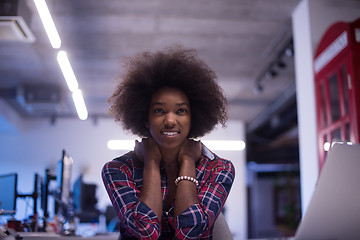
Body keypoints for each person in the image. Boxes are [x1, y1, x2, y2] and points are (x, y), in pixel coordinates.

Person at [102, 45, 235, 240]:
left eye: (181, 111)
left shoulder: (219, 169)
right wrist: (151, 164)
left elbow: (190, 232)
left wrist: (188, 162)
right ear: (145, 118)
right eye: (159, 111)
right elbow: (145, 232)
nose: (171, 120)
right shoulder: (118, 170)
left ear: (194, 117)